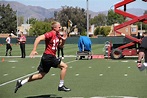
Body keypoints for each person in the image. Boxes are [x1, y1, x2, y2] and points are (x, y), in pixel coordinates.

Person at [14, 21, 70, 93]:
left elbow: (61, 46)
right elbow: (38, 38)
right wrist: (34, 50)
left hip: (47, 57)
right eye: (59, 27)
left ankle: (21, 82)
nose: (60, 28)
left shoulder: (57, 35)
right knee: (64, 66)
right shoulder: (50, 34)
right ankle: (61, 86)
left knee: (41, 76)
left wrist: (64, 40)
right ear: (54, 28)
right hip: (49, 56)